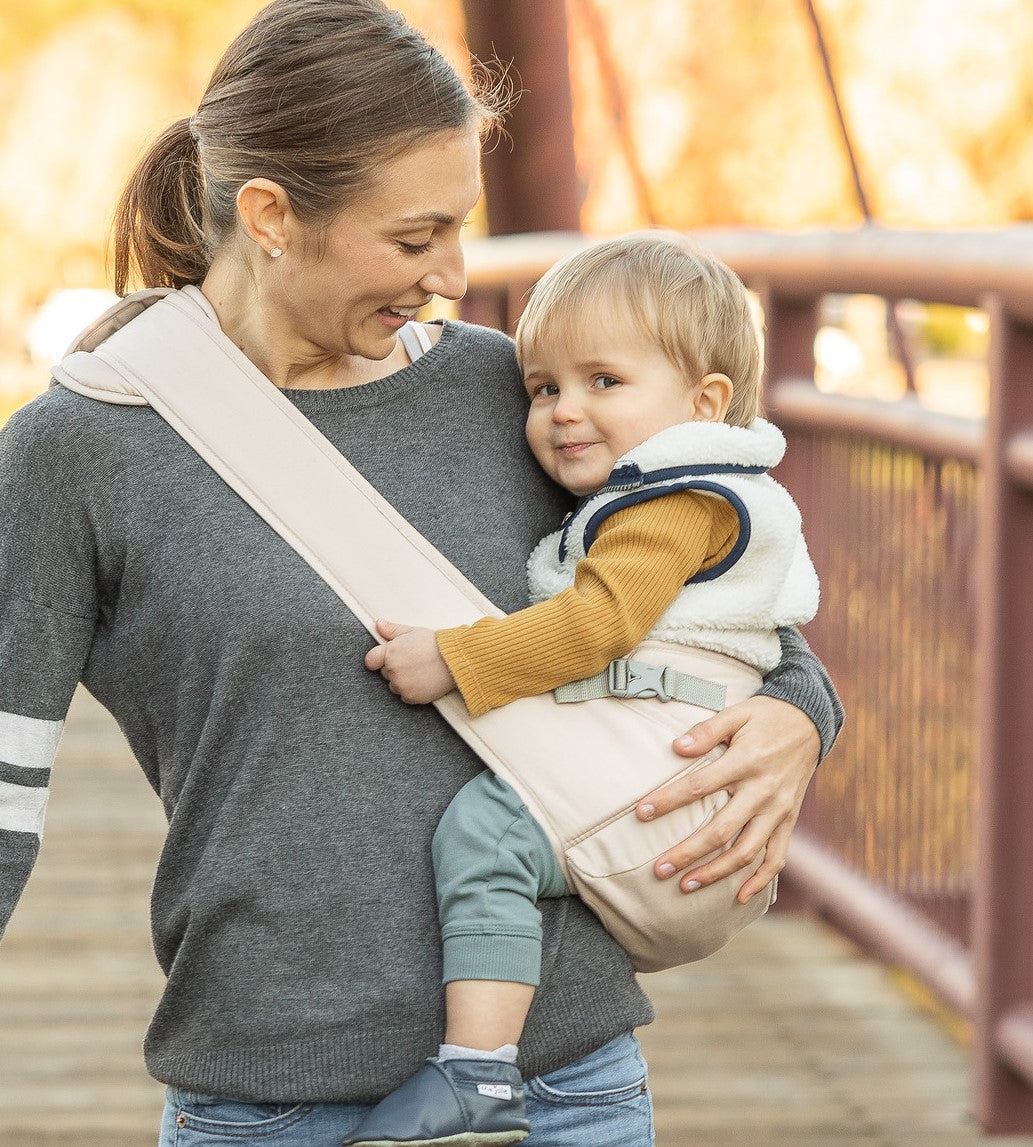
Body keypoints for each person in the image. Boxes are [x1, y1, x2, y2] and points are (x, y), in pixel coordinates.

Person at [0, 3, 842, 1145]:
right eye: (416, 238)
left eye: (463, 230)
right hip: (273, 1091)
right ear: (271, 217)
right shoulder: (80, 449)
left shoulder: (516, 393)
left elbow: (713, 590)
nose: (452, 273)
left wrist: (801, 715)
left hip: (569, 1078)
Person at [357, 231, 821, 1146]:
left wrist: (461, 658)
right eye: (543, 387)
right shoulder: (661, 487)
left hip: (664, 774)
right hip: (660, 771)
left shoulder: (672, 503)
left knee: (489, 832)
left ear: (704, 402)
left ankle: (478, 1066)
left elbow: (601, 624)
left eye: (603, 382)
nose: (562, 411)